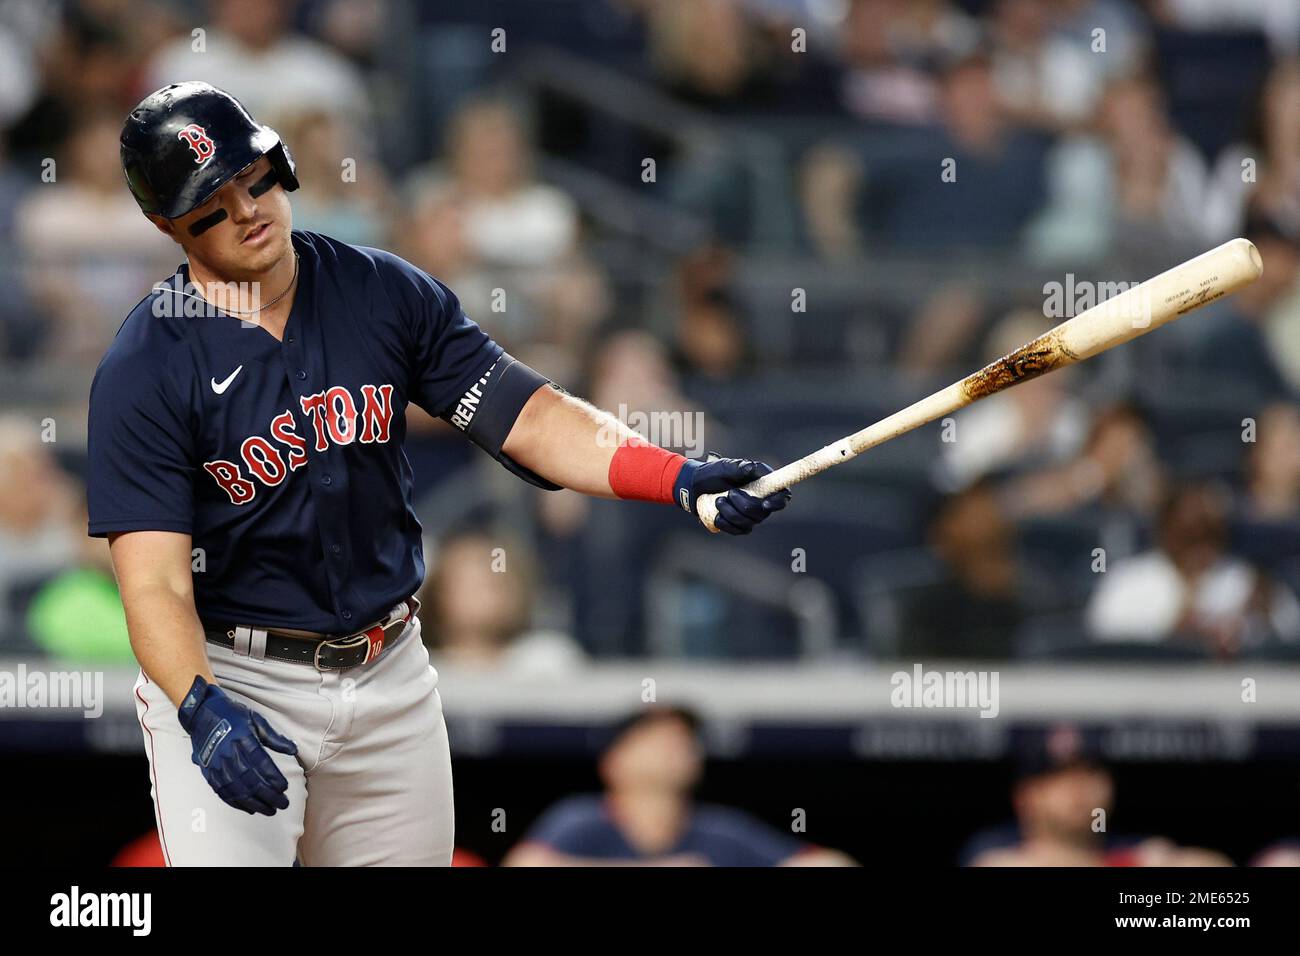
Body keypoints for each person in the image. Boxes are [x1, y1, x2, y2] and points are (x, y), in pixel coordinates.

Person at [88, 82, 791, 867]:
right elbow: (153, 585)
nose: (248, 209)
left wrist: (676, 476)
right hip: (235, 675)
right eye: (211, 204)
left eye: (252, 180)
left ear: (278, 166)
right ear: (167, 225)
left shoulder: (380, 290)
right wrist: (198, 703)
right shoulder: (144, 366)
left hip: (388, 671)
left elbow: (530, 416)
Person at [504, 706, 856, 866]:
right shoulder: (582, 818)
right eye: (655, 738)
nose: (676, 745)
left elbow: (829, 863)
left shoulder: (721, 830)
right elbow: (525, 864)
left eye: (684, 739)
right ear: (614, 763)